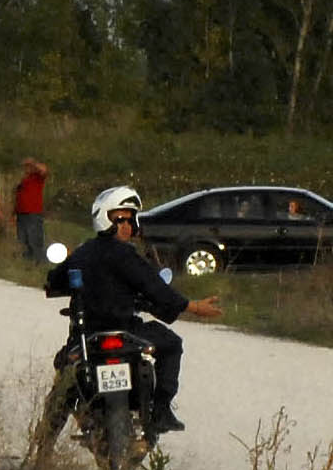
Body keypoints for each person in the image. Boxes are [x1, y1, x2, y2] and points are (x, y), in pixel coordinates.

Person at [48, 185, 223, 435]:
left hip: (87, 336)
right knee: (171, 344)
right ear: (104, 219)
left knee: (64, 380)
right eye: (119, 219)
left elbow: (54, 281)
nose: (126, 225)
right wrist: (192, 306)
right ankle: (161, 410)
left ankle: (41, 457)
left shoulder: (83, 253)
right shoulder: (126, 255)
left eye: (130, 220)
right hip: (124, 331)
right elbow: (154, 287)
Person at [10, 156, 48, 261]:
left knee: (35, 239)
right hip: (21, 214)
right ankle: (27, 262)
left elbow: (44, 170)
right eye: (25, 166)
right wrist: (13, 214)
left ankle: (39, 261)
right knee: (23, 239)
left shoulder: (37, 177)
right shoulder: (22, 181)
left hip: (33, 213)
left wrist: (34, 163)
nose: (27, 168)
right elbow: (17, 198)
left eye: (28, 166)